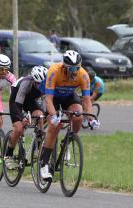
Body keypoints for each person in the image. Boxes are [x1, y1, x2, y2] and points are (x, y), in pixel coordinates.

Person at [40, 50, 100, 180]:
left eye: (77, 68)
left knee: (78, 116)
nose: (74, 71)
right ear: (64, 67)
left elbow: (86, 100)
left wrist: (90, 118)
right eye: (71, 68)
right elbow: (48, 99)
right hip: (53, 96)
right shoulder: (54, 71)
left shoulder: (83, 75)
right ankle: (44, 165)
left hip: (68, 96)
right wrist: (54, 116)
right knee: (54, 126)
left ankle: (67, 141)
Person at [4, 66, 48, 168]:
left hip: (30, 100)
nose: (40, 86)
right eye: (38, 83)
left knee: (40, 116)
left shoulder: (46, 85)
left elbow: (46, 103)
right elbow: (18, 105)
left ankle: (38, 144)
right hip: (16, 100)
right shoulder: (26, 84)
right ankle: (8, 155)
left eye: (43, 83)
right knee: (19, 129)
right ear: (33, 80)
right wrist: (22, 117)